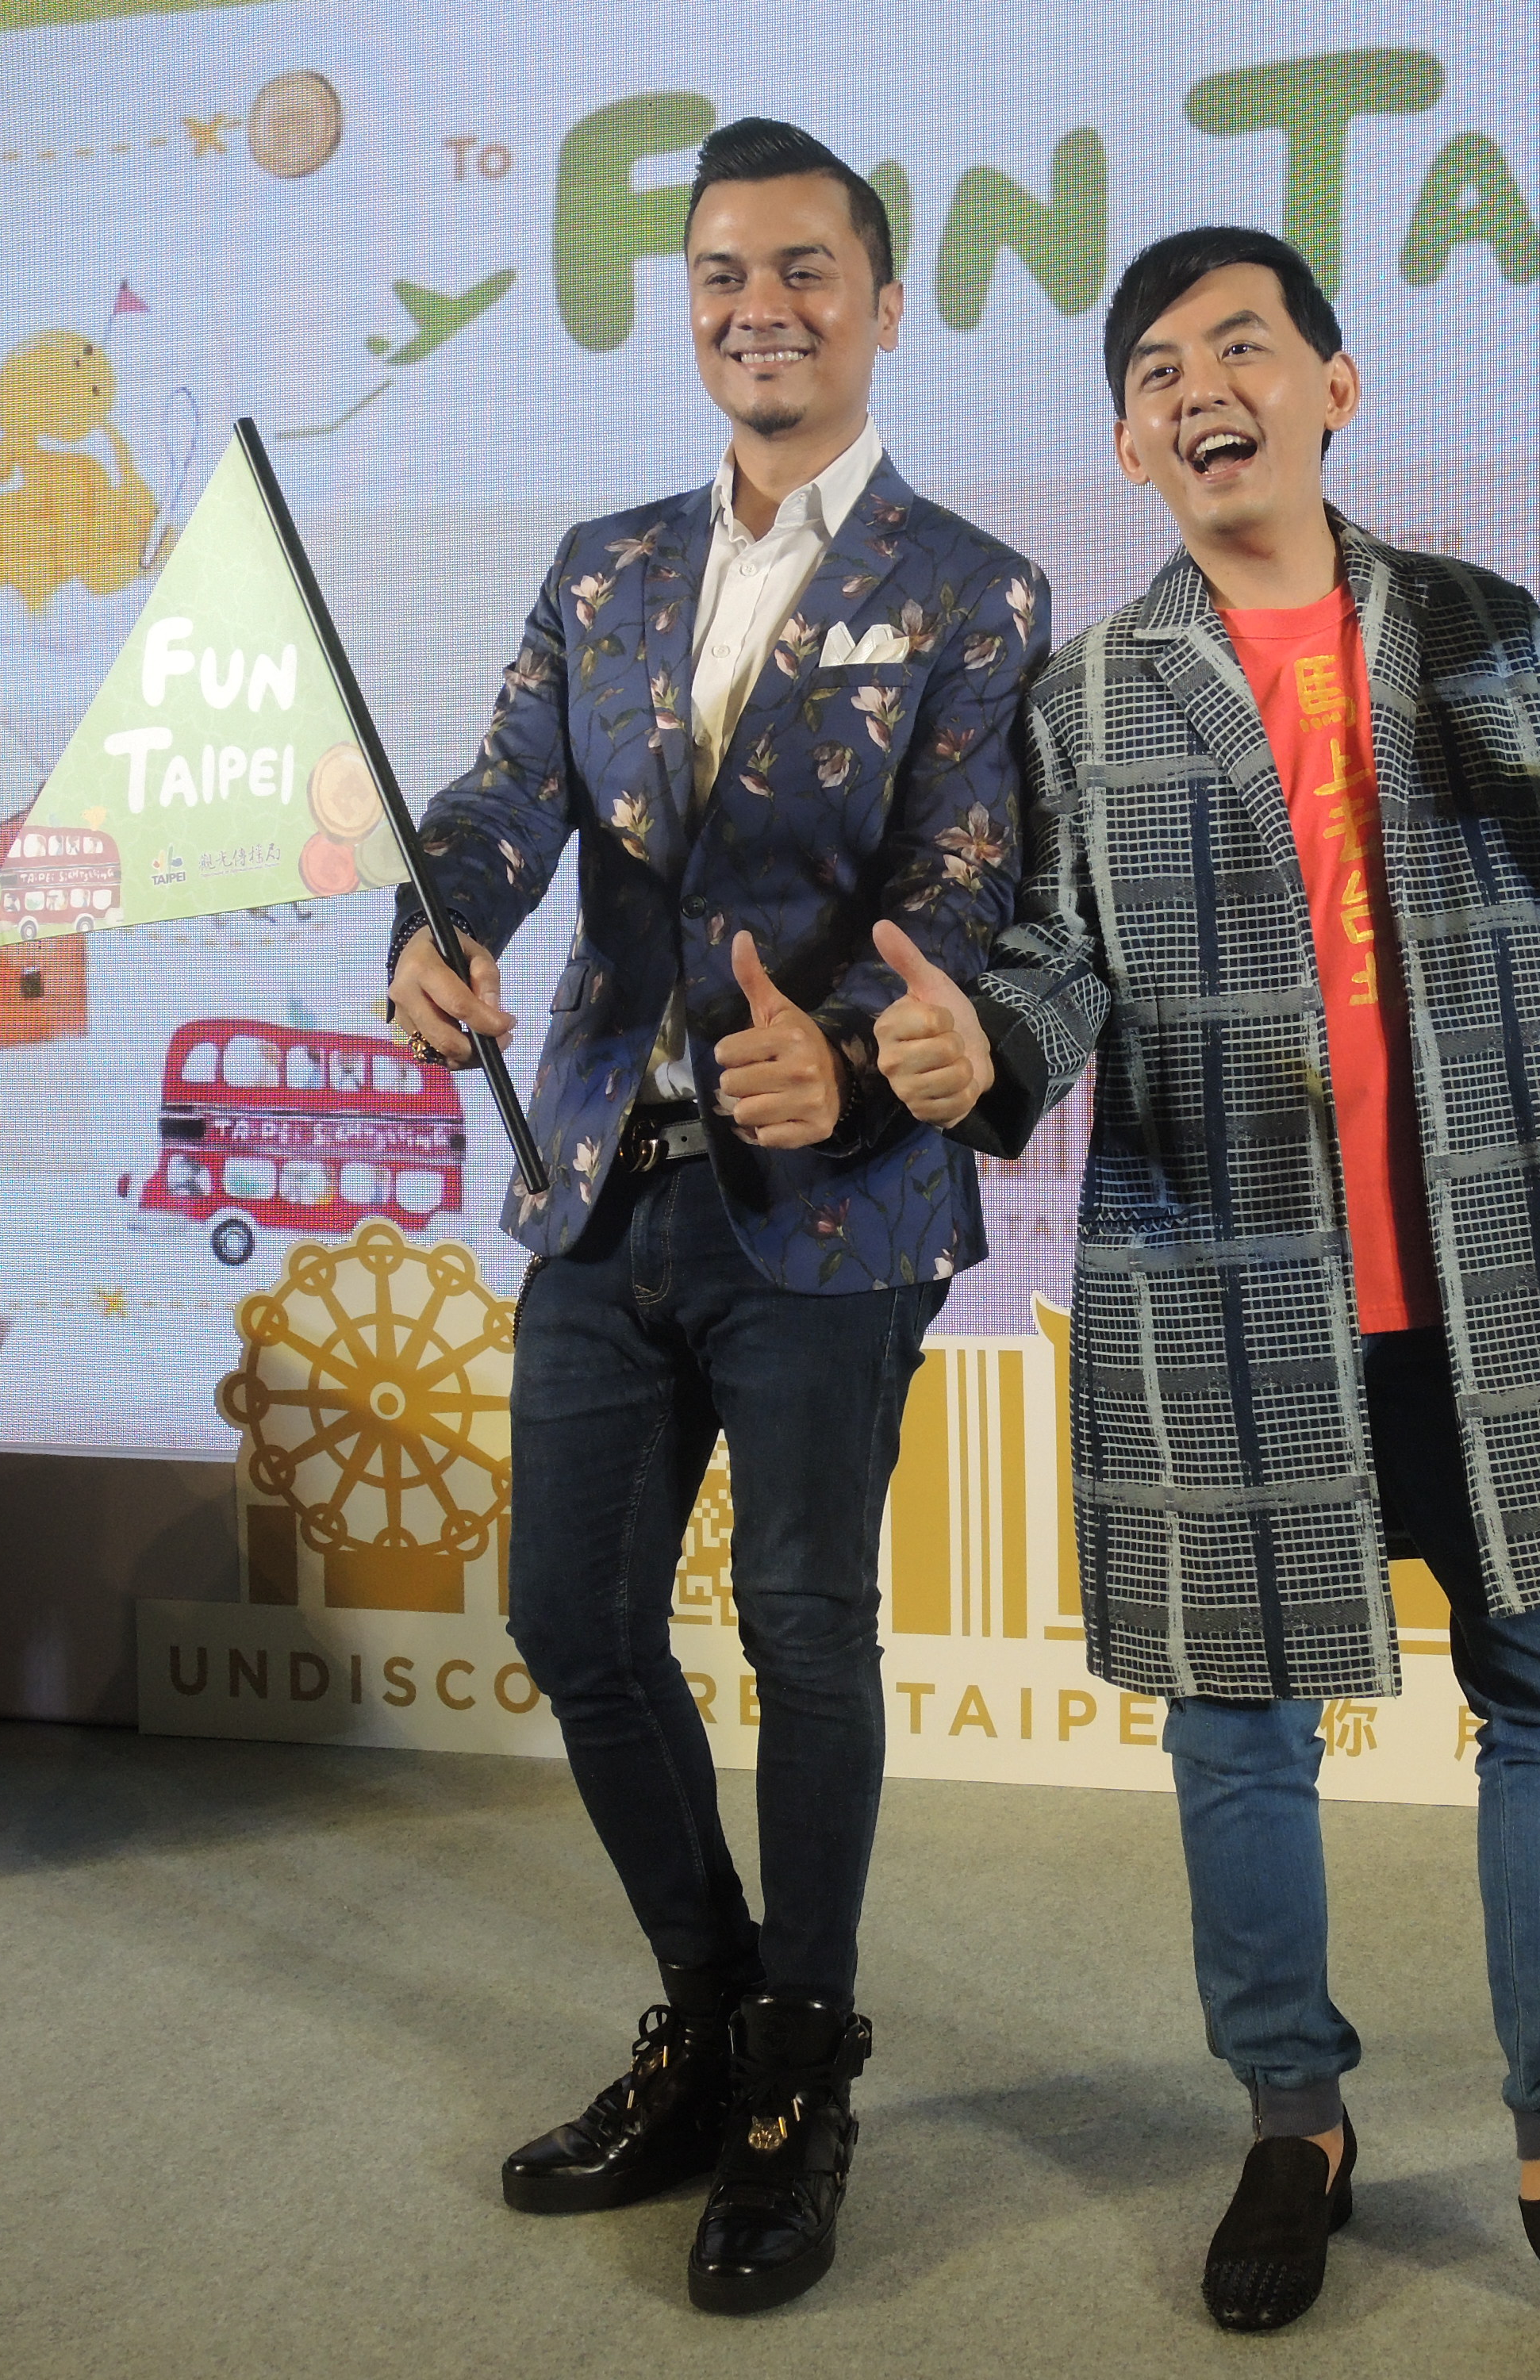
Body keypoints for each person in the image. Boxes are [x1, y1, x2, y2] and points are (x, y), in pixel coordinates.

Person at [869, 225, 1540, 2330]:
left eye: (1244, 346)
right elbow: (1054, 968)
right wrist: (970, 1055)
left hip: (1489, 1274)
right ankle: (1293, 2123)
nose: (1202, 388)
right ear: (1130, 446)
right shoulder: (1087, 695)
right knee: (1242, 1725)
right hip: (1216, 1281)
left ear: (1334, 386)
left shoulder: (1476, 625)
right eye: (1157, 372)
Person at [383, 117, 1047, 2317]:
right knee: (571, 1618)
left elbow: (965, 887)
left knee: (802, 1629)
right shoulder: (603, 569)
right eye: (721, 276)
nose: (761, 308)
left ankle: (801, 2078)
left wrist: (848, 1055)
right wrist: (437, 924)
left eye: (804, 270)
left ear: (881, 301)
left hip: (834, 1209)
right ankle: (715, 2013)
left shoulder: (974, 590)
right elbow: (503, 797)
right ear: (689, 307)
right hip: (603, 1176)